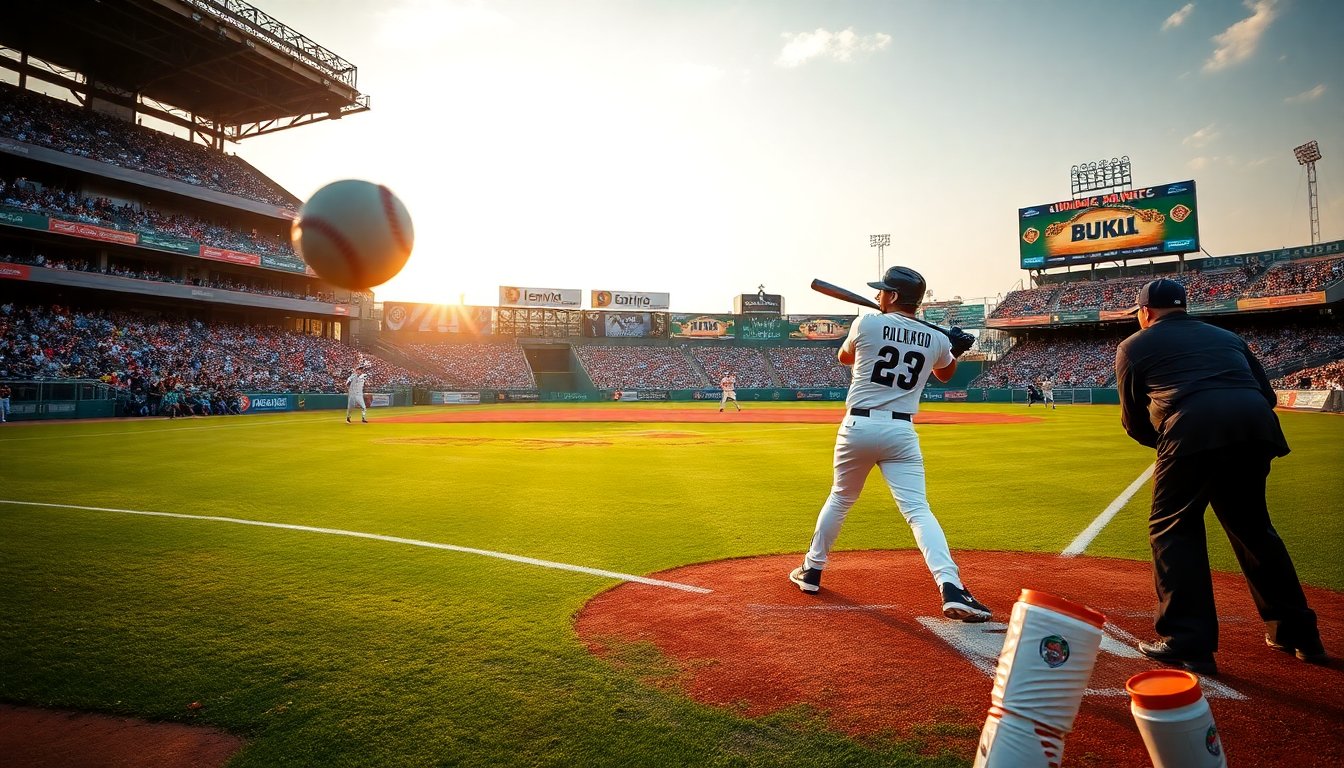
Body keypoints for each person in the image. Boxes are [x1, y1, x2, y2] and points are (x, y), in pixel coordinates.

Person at [1115, 278, 1326, 676]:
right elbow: (1268, 396)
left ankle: (1187, 641)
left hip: (1191, 427)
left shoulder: (1133, 345)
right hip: (1255, 426)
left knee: (1173, 529)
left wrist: (1168, 444)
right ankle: (1299, 635)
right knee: (1253, 528)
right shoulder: (1226, 336)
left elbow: (1133, 421)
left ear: (1145, 312)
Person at [788, 266, 990, 622]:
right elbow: (945, 374)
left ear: (894, 297)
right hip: (901, 432)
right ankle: (951, 587)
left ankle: (811, 570)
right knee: (918, 511)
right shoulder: (936, 338)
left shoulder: (866, 323)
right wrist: (953, 348)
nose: (879, 295)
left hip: (857, 427)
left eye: (883, 291)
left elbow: (844, 357)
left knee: (841, 497)